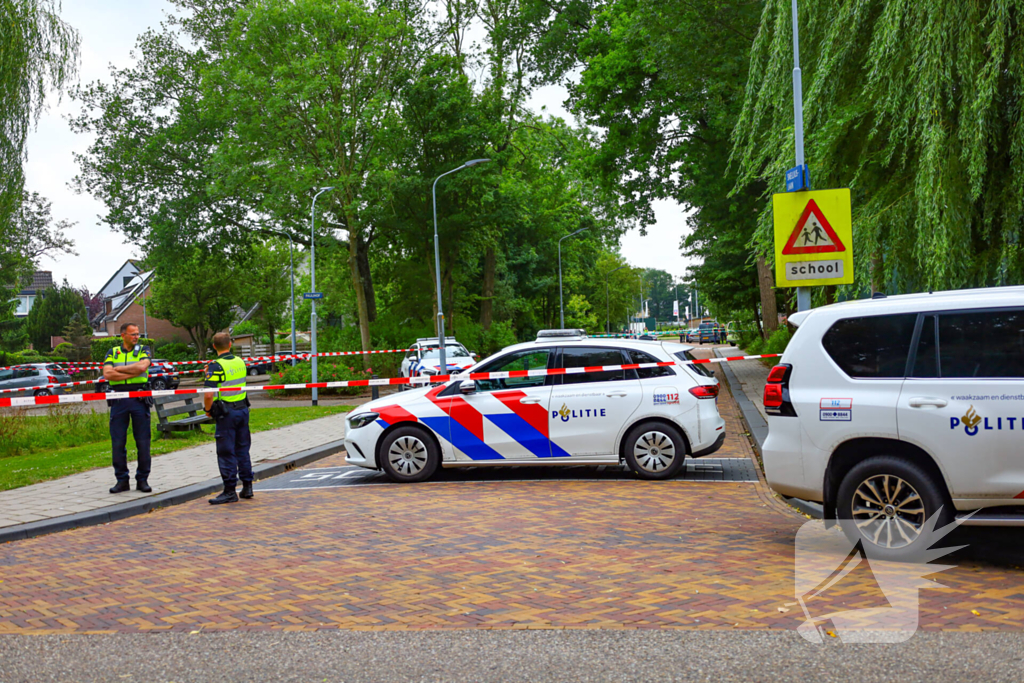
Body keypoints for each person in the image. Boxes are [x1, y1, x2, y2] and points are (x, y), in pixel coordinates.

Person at [203, 332, 253, 505]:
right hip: (243, 409)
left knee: (226, 452)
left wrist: (208, 410)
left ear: (214, 347)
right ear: (230, 345)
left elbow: (209, 393)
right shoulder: (240, 361)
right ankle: (247, 486)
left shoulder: (215, 366)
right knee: (242, 449)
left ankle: (230, 491)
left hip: (226, 414)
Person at [103, 322, 153, 493]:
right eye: (133, 334)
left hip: (139, 398)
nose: (136, 337)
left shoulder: (144, 350)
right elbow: (107, 374)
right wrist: (133, 372)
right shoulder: (113, 352)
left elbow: (142, 367)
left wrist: (120, 369)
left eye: (138, 334)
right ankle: (122, 480)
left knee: (143, 442)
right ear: (123, 335)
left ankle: (142, 480)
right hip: (118, 399)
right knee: (118, 442)